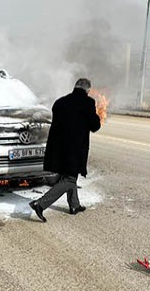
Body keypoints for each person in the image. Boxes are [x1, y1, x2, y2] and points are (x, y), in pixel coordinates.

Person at [29, 78, 101, 222]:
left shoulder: (60, 102)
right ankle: (40, 204)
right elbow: (95, 126)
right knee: (69, 178)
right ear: (87, 90)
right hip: (73, 149)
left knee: (67, 176)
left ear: (75, 87)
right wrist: (95, 116)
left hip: (57, 149)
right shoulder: (88, 103)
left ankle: (74, 205)